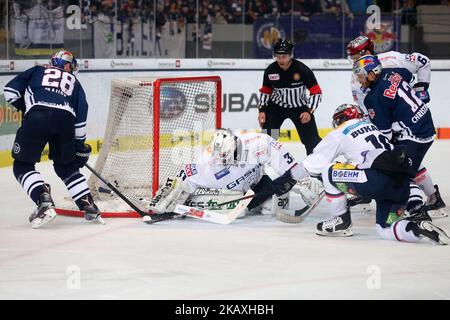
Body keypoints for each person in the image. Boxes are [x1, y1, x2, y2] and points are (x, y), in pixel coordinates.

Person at [303, 103, 448, 245]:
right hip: (400, 187)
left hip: (377, 181)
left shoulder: (341, 131)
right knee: (385, 228)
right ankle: (417, 227)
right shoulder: (375, 127)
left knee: (329, 170)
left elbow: (317, 163)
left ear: (341, 120)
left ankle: (341, 222)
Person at [346, 36, 446, 216]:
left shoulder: (391, 61)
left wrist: (421, 88)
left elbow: (382, 129)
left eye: (355, 57)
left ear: (366, 54)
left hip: (409, 128)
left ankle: (415, 209)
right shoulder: (387, 73)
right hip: (417, 120)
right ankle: (433, 197)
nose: (358, 79)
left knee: (397, 170)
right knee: (408, 161)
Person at [3, 50, 104, 228]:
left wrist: (29, 109)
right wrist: (78, 145)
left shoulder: (36, 70)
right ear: (66, 65)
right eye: (70, 66)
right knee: (67, 167)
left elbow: (10, 91)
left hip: (37, 117)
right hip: (65, 120)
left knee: (22, 165)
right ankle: (89, 206)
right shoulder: (75, 82)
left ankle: (43, 199)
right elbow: (81, 115)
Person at [146, 129, 315, 221]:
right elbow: (184, 175)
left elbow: (287, 164)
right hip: (230, 192)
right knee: (240, 210)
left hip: (256, 182)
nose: (228, 162)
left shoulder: (259, 143)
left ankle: (253, 202)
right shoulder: (207, 161)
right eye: (223, 159)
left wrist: (302, 181)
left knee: (275, 208)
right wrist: (166, 199)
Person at [257, 39, 322, 155]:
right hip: (276, 107)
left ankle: (315, 168)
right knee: (267, 140)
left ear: (291, 55)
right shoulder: (270, 70)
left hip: (300, 108)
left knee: (312, 142)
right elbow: (265, 91)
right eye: (278, 56)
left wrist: (309, 111)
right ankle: (261, 168)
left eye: (284, 56)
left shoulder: (302, 70)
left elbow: (316, 92)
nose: (281, 60)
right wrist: (262, 110)